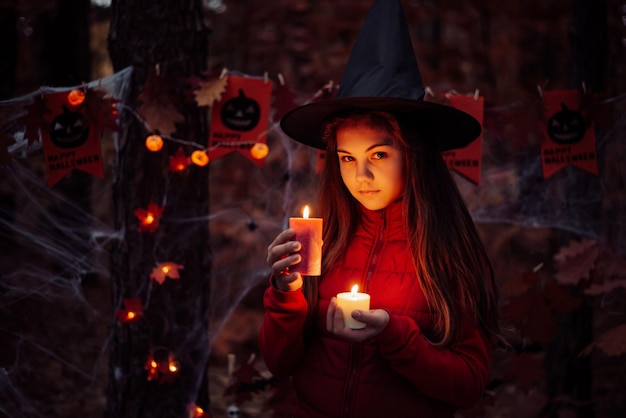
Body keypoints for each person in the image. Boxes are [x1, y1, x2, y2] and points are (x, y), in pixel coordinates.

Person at [259, 1, 503, 417]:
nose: (362, 176)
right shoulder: (324, 242)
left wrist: (395, 335)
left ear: (412, 154)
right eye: (348, 158)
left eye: (379, 155)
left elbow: (468, 384)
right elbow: (279, 363)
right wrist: (286, 296)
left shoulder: (445, 252)